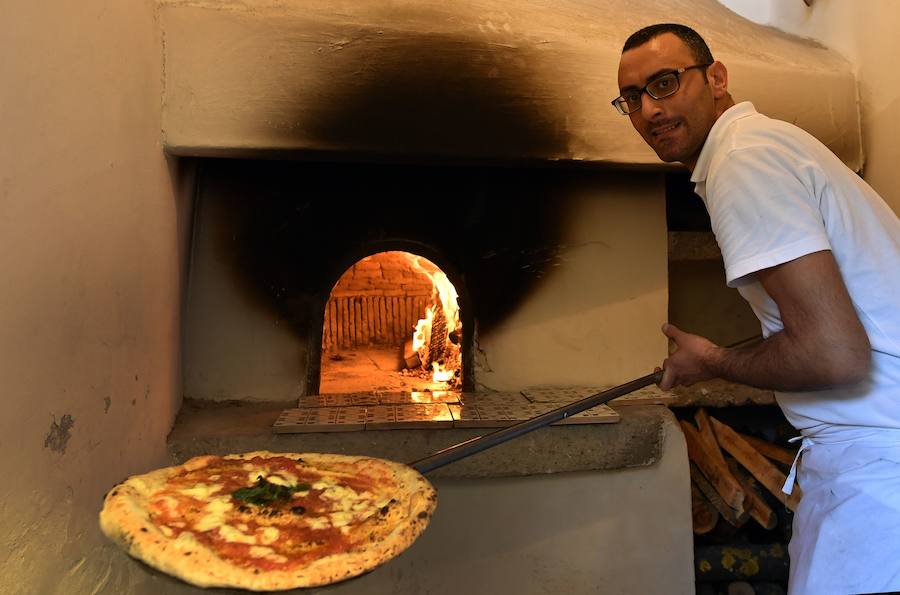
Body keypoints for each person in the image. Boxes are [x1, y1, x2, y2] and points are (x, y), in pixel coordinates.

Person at [613, 23, 900, 595]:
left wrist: (717, 360)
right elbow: (822, 326)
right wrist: (706, 359)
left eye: (665, 83)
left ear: (716, 78)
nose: (649, 110)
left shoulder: (742, 162)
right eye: (633, 99)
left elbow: (835, 355)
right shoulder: (763, 144)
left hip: (877, 470)